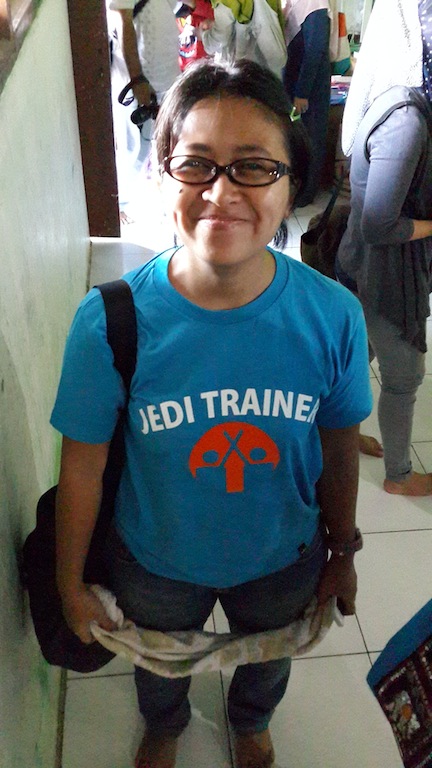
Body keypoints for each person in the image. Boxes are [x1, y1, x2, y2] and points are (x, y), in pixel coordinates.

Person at [51, 59, 372, 768]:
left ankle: (250, 722)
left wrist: (343, 552)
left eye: (253, 167)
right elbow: (81, 472)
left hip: (285, 558)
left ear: (292, 185)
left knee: (268, 658)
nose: (221, 192)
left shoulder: (333, 317)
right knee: (158, 665)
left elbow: (340, 448)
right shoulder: (109, 323)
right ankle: (166, 725)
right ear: (164, 175)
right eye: (195, 164)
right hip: (153, 564)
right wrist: (70, 583)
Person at [336, 0, 432, 497]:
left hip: (362, 263)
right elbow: (379, 225)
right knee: (403, 375)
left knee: (355, 355)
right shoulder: (407, 122)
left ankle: (341, 434)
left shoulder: (399, 101)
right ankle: (399, 476)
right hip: (383, 272)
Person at [109, 0, 180, 215]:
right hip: (135, 83)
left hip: (166, 77)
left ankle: (170, 202)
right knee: (132, 149)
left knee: (160, 144)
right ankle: (119, 203)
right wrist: (137, 79)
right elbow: (124, 23)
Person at [282, 0, 331, 206]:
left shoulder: (313, 3)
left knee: (310, 139)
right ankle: (298, 190)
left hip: (309, 90)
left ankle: (305, 195)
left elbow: (315, 48)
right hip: (296, 85)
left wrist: (302, 92)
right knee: (299, 138)